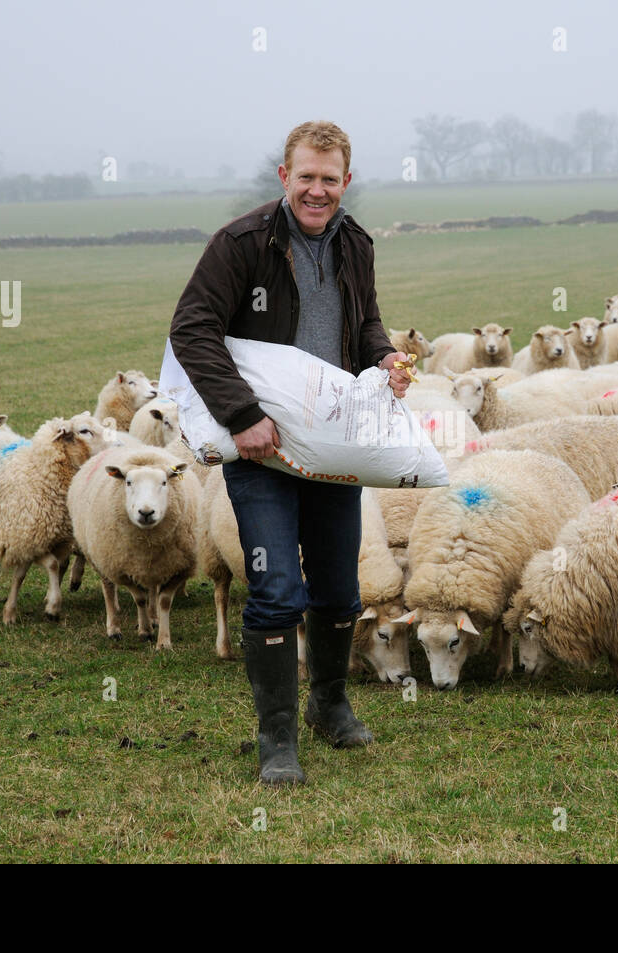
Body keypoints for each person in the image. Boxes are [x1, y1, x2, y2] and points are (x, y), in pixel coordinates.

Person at [169, 120, 412, 786]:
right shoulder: (242, 243)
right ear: (285, 176)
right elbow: (192, 329)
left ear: (345, 181)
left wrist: (385, 356)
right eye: (305, 176)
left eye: (329, 179)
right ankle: (275, 738)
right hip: (264, 451)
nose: (317, 190)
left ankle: (328, 704)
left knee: (339, 589)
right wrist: (243, 417)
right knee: (277, 591)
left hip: (334, 446)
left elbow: (362, 323)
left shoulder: (355, 244)